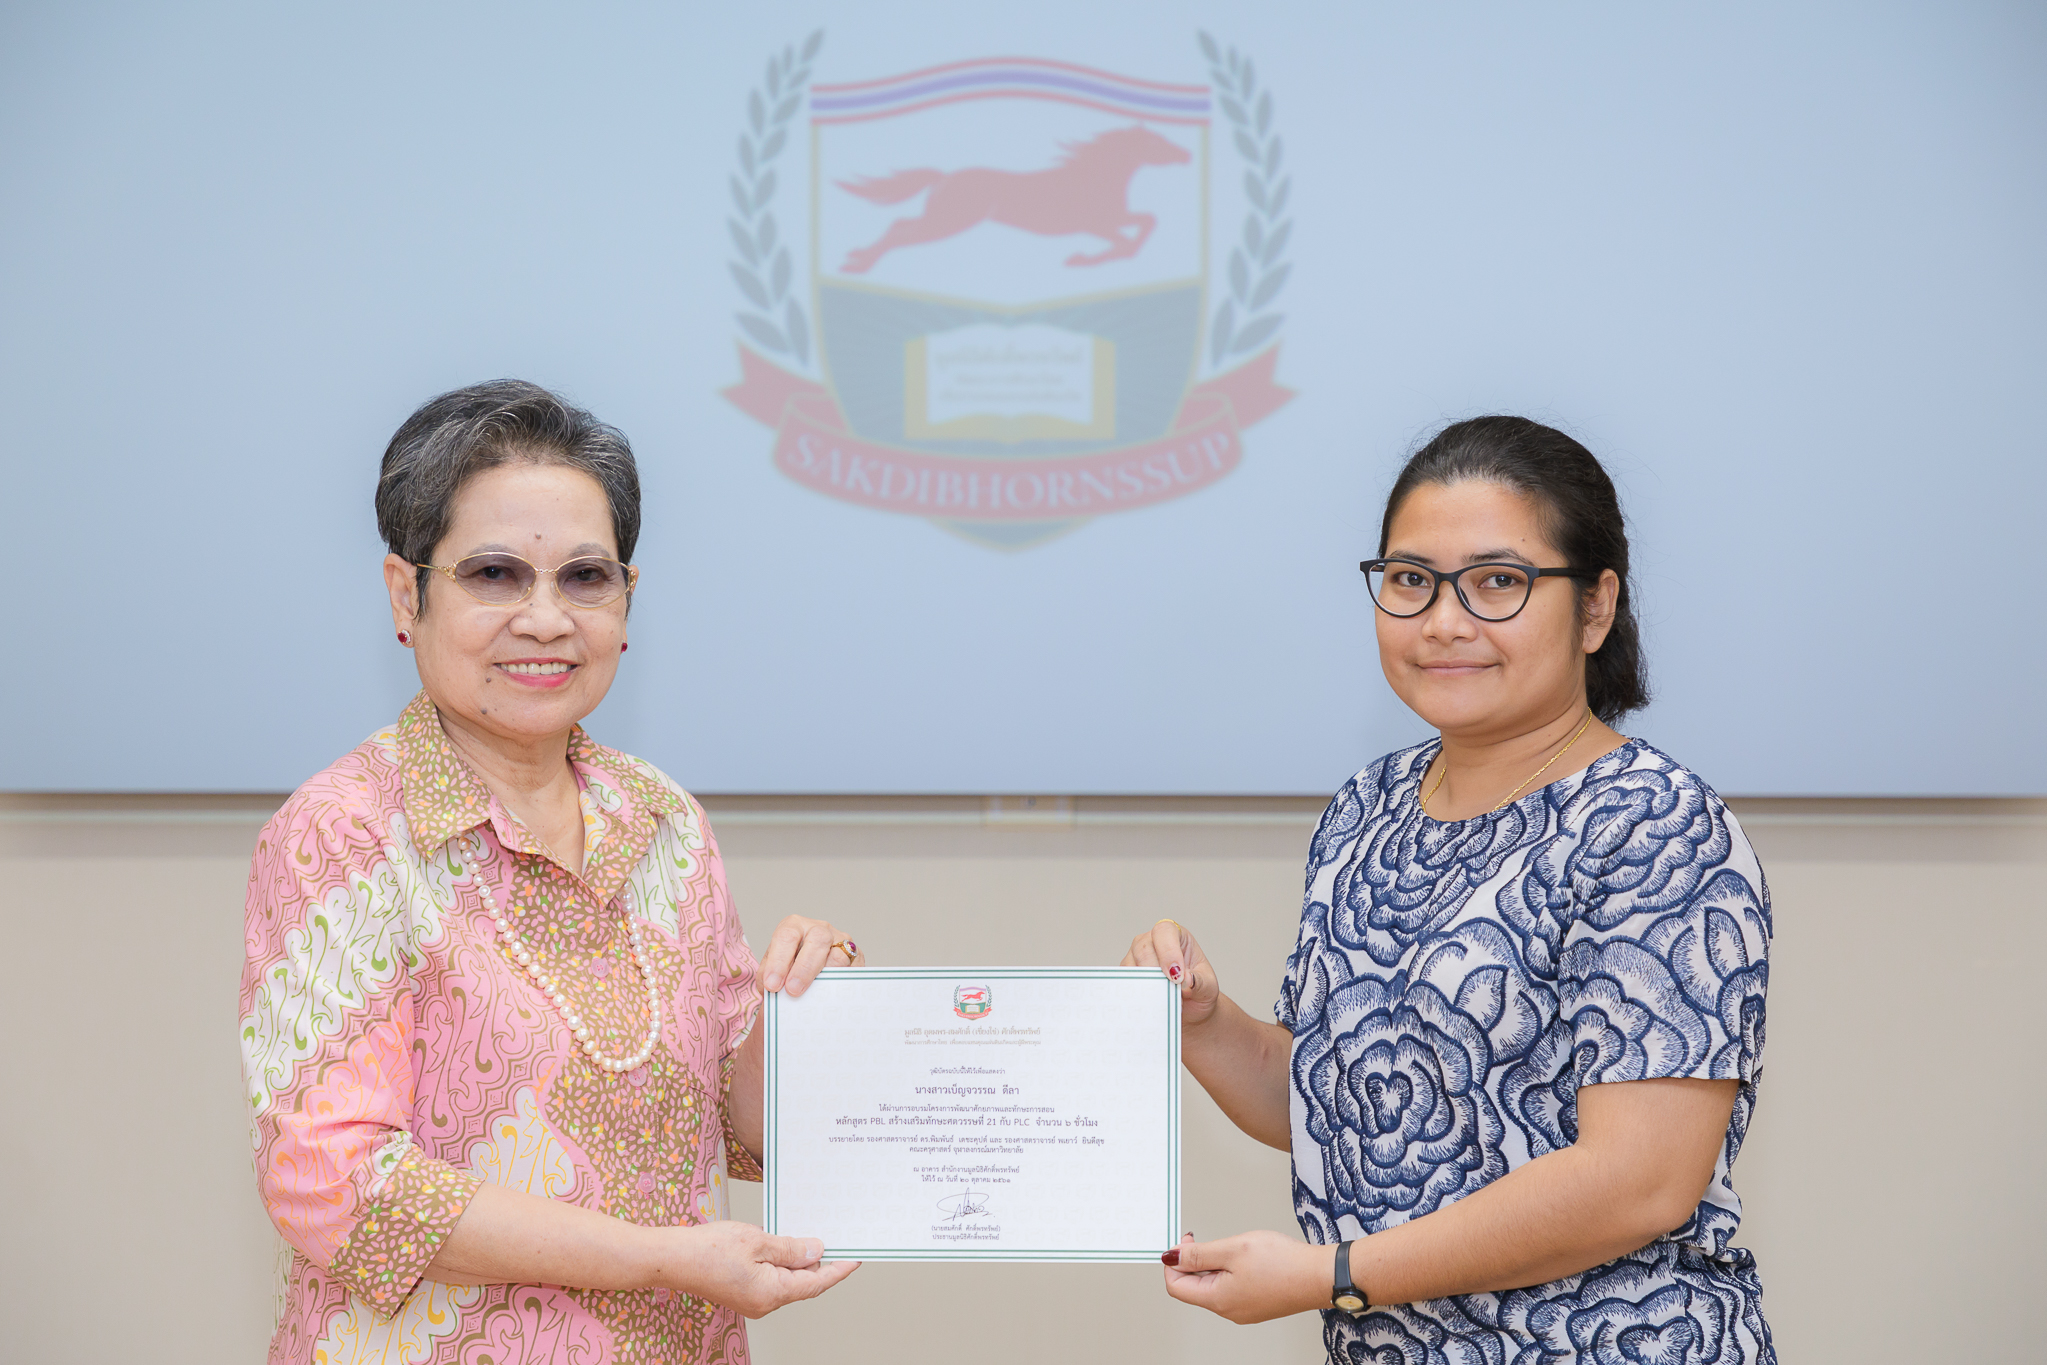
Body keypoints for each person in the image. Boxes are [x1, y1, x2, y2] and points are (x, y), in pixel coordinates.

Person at [1126, 416, 1773, 1362]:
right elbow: (1338, 1106)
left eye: (1497, 582)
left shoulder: (1651, 823)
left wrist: (1333, 1274)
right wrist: (1201, 1021)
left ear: (1595, 607)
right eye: (1410, 580)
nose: (1442, 621)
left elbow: (1638, 1182)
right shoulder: (1369, 804)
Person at [239, 380, 860, 1363]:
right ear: (406, 595)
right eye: (494, 574)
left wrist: (806, 1012)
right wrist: (659, 1258)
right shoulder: (344, 831)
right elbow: (334, 1183)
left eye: (584, 577)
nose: (544, 618)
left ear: (627, 600)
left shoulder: (663, 817)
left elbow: (741, 1130)